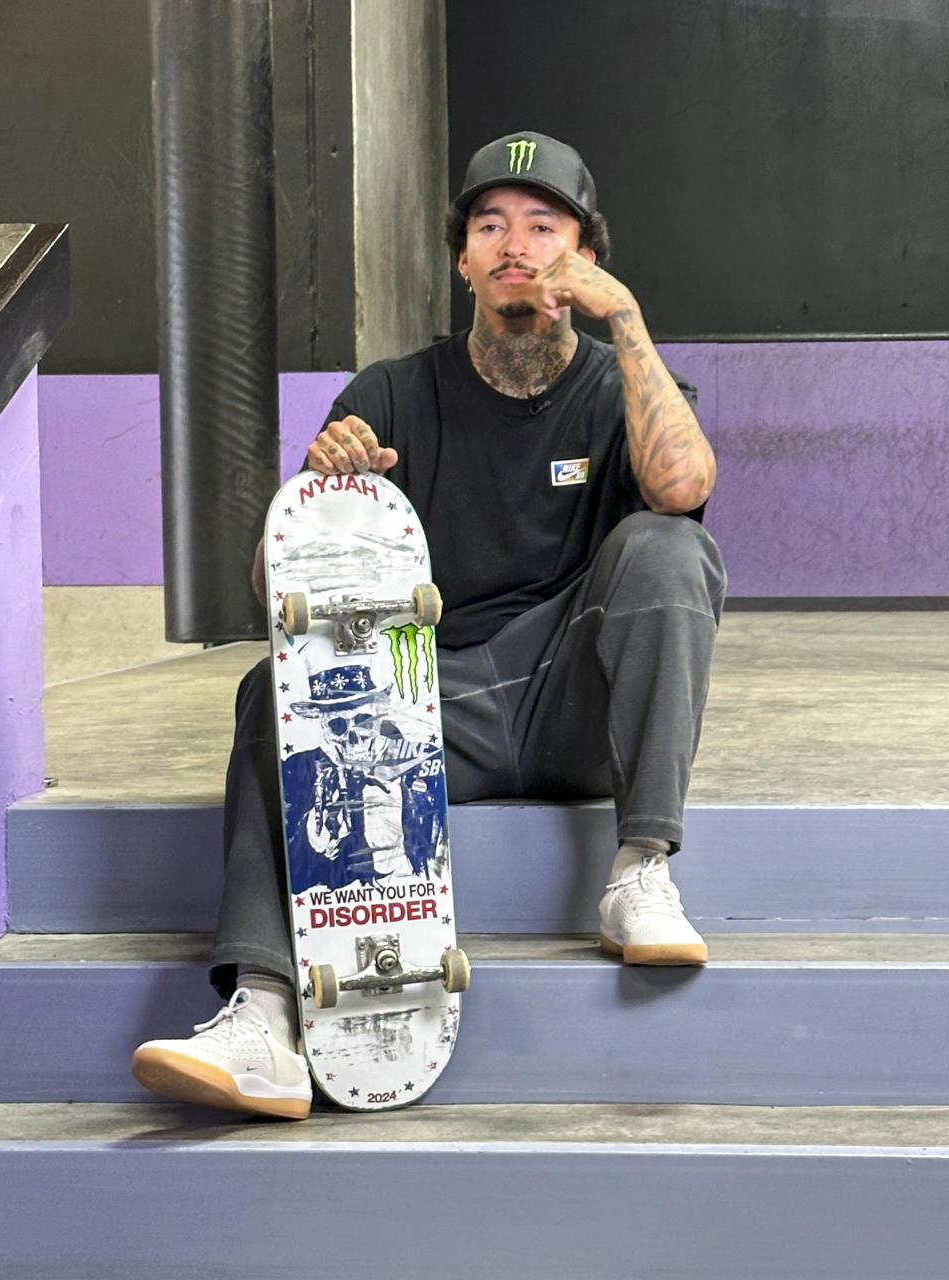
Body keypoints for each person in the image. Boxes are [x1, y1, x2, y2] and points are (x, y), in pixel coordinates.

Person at [132, 130, 726, 1119]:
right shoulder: (392, 393)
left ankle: (640, 870)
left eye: (544, 225)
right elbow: (271, 599)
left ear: (587, 253)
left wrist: (625, 320)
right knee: (270, 688)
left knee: (668, 547)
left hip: (575, 699)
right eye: (489, 224)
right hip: (429, 715)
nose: (515, 245)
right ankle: (266, 1014)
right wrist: (321, 498)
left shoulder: (619, 385)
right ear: (463, 258)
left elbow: (684, 485)